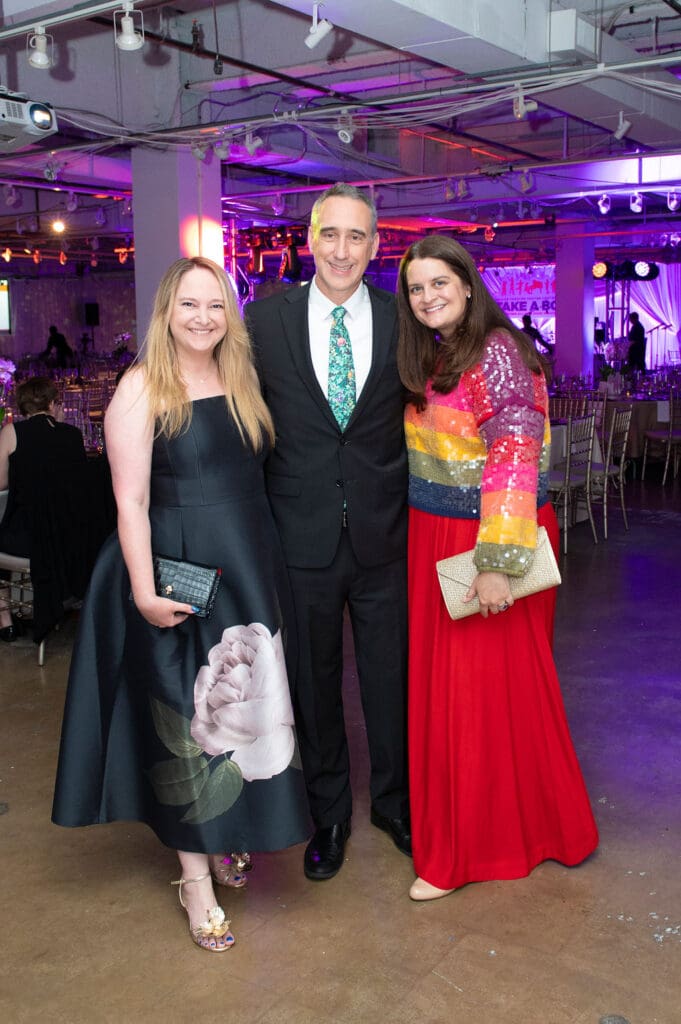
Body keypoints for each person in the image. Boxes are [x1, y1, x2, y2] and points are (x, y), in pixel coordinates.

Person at [52, 257, 310, 952]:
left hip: (247, 569)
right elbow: (130, 502)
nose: (202, 317)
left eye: (215, 306)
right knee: (187, 723)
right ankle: (194, 877)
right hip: (179, 575)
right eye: (189, 305)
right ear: (166, 311)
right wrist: (142, 590)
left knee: (237, 718)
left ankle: (224, 836)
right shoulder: (141, 389)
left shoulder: (241, 379)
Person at [396, 235, 599, 902]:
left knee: (482, 692)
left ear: (466, 281)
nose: (427, 296)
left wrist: (496, 564)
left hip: (487, 536)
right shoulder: (437, 350)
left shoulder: (498, 350)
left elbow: (515, 448)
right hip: (438, 531)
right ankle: (527, 828)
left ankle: (471, 852)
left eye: (438, 282)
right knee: (472, 693)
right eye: (416, 287)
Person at [245, 183, 411, 882]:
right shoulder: (262, 322)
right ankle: (329, 814)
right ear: (309, 239)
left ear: (375, 246)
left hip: (385, 533)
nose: (343, 249)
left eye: (358, 237)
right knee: (312, 685)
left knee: (390, 680)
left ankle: (395, 805)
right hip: (299, 534)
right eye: (331, 234)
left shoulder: (403, 320)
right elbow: (240, 423)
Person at [0, 377, 88, 643]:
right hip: (69, 541)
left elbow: (1, 482)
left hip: (29, 540)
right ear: (52, 403)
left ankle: (5, 619)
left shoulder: (12, 432)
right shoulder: (72, 435)